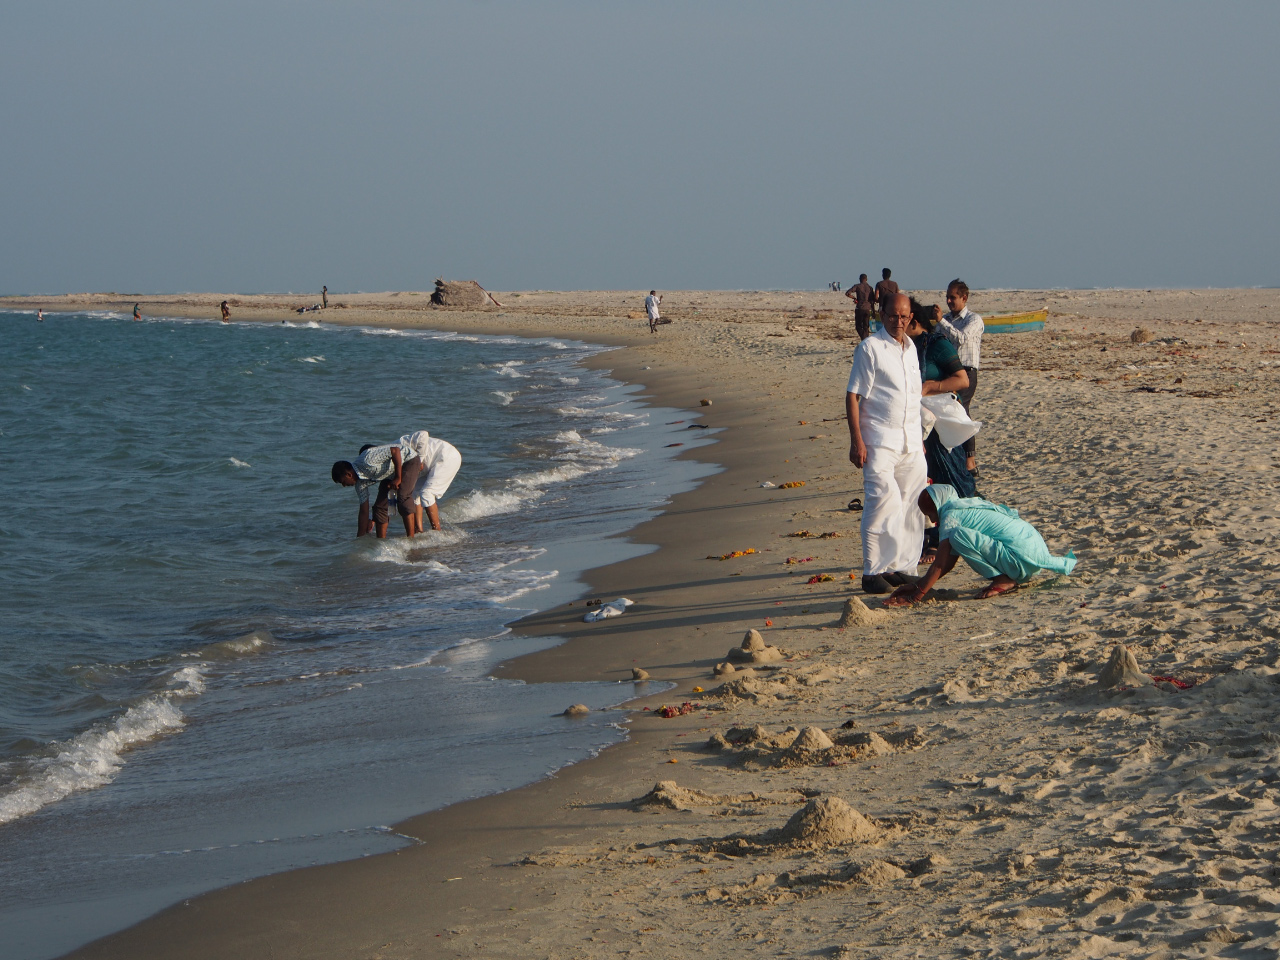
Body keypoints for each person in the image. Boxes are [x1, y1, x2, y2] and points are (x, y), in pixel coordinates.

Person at [846, 293, 927, 594]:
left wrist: (920, 439)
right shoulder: (870, 348)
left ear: (910, 317)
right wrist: (857, 441)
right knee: (882, 500)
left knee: (912, 504)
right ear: (882, 314)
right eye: (893, 316)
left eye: (904, 316)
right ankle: (872, 571)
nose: (899, 321)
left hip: (911, 441)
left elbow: (913, 397)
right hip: (879, 439)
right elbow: (853, 396)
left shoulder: (911, 349)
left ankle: (902, 567)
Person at [887, 485, 1076, 605]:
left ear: (938, 507)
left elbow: (939, 564)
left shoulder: (951, 516)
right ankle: (1007, 575)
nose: (932, 520)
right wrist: (917, 585)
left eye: (930, 514)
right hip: (1032, 563)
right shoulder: (965, 506)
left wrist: (916, 595)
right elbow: (947, 561)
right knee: (956, 537)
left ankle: (1004, 578)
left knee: (957, 536)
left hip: (1019, 563)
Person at [906, 299, 976, 498]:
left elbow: (962, 380)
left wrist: (930, 386)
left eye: (904, 319)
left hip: (938, 427)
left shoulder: (937, 344)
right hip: (915, 425)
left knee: (951, 482)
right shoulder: (904, 348)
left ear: (914, 322)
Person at [934, 279, 984, 477]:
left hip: (967, 371)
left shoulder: (974, 319)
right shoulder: (946, 320)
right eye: (947, 297)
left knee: (962, 410)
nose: (948, 301)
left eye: (952, 297)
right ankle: (955, 457)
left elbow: (961, 339)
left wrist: (941, 322)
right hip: (948, 372)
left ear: (964, 298)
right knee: (948, 411)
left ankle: (970, 461)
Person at [331, 440, 423, 539]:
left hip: (408, 460)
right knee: (379, 508)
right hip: (389, 473)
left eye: (343, 482)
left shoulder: (367, 460)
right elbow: (363, 511)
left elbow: (395, 451)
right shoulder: (359, 485)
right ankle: (381, 542)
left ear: (348, 475)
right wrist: (360, 538)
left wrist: (398, 477)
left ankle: (411, 539)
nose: (344, 485)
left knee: (402, 496)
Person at [399, 430, 462, 534]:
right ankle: (418, 530)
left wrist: (420, 460)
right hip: (430, 465)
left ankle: (437, 532)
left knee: (427, 493)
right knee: (414, 493)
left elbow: (423, 434)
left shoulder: (399, 444)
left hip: (447, 456)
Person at [845, 274, 875, 340]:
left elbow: (847, 293)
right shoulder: (870, 288)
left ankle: (864, 338)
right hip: (868, 308)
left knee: (858, 326)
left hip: (860, 308)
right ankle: (866, 340)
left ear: (860, 279)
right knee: (866, 327)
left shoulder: (857, 286)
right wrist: (873, 311)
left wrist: (854, 298)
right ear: (866, 279)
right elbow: (872, 301)